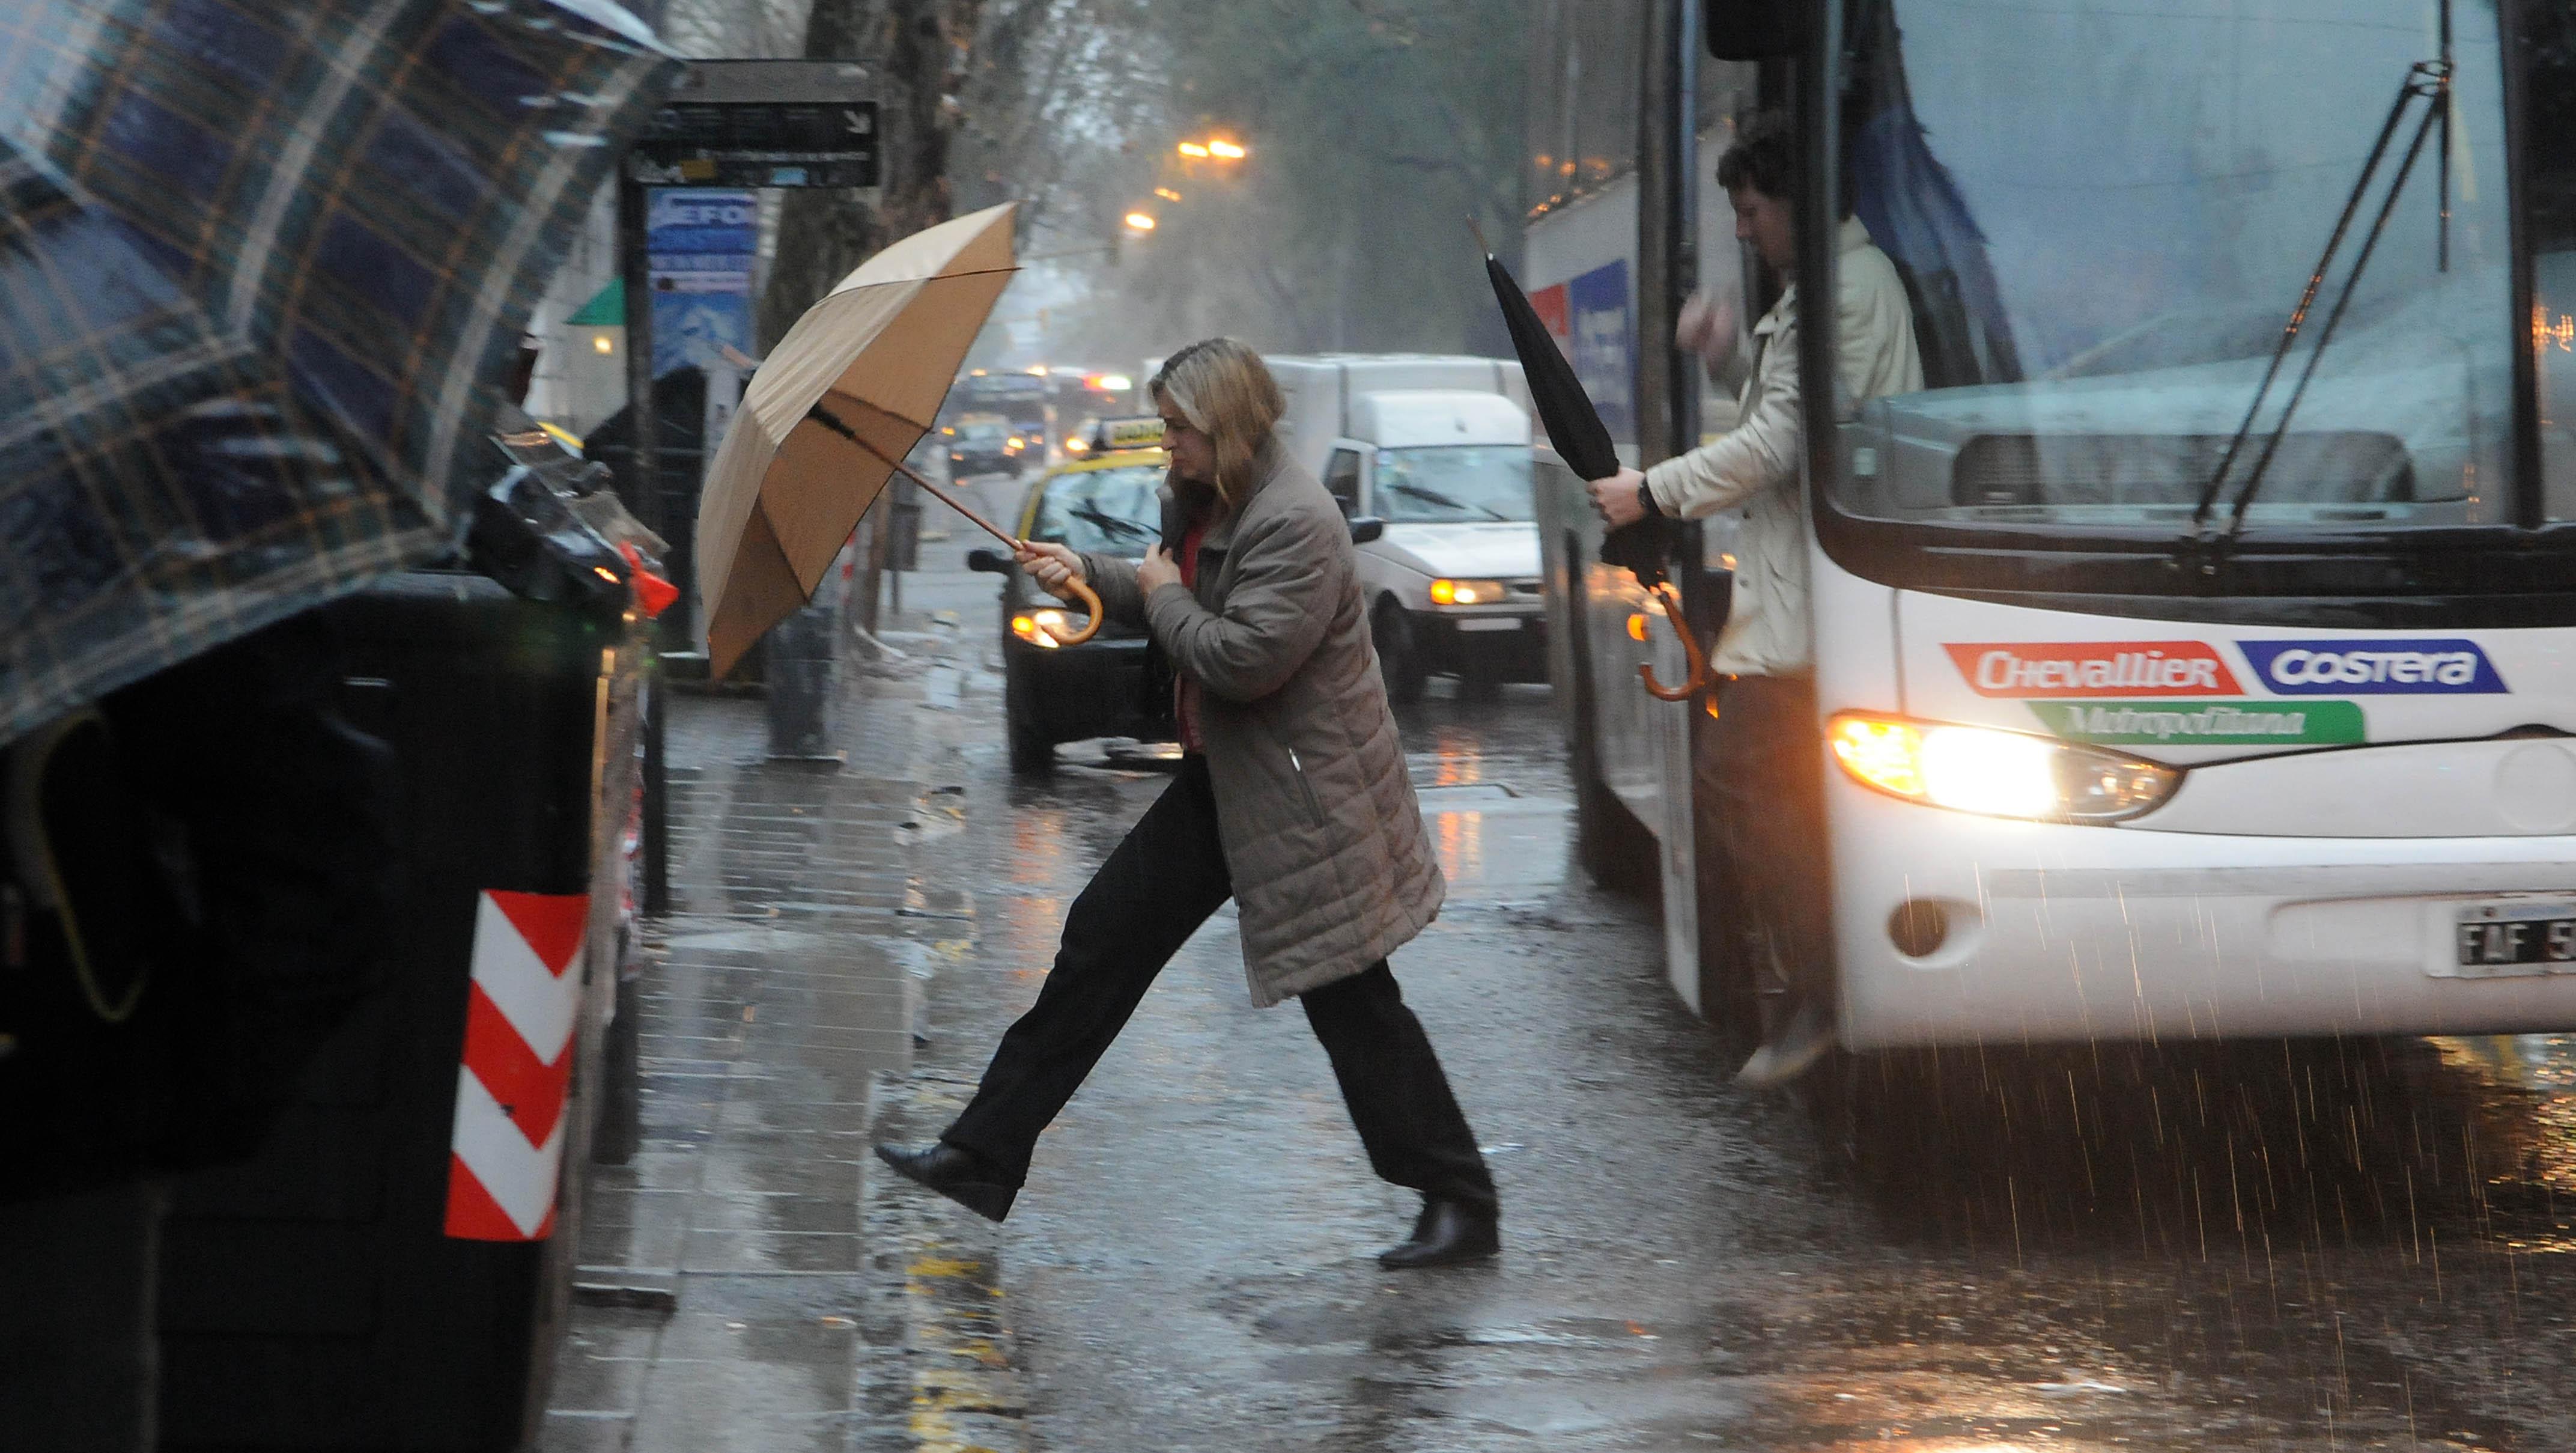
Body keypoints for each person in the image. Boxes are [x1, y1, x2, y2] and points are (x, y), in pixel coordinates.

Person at [876, 338, 1500, 1268]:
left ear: (1229, 426)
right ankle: (982, 1152)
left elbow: (1243, 658)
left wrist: (1161, 594)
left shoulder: (1296, 519)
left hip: (1301, 794)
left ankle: (1461, 1198)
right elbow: (1167, 587)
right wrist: (1081, 570)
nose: (1167, 443)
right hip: (1230, 780)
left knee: (1352, 1001)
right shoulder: (1215, 500)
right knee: (1103, 936)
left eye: (1178, 428)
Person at [1588, 112, 1924, 1088]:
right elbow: (1806, 412)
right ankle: (1818, 987)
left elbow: (1779, 447)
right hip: (1802, 603)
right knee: (1772, 790)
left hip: (1814, 613)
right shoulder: (1827, 291)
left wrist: (1649, 488)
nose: (1742, 230)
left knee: (1741, 779)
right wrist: (1728, 360)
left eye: (1750, 210)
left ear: (1793, 205)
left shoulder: (1841, 294)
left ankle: (1817, 989)